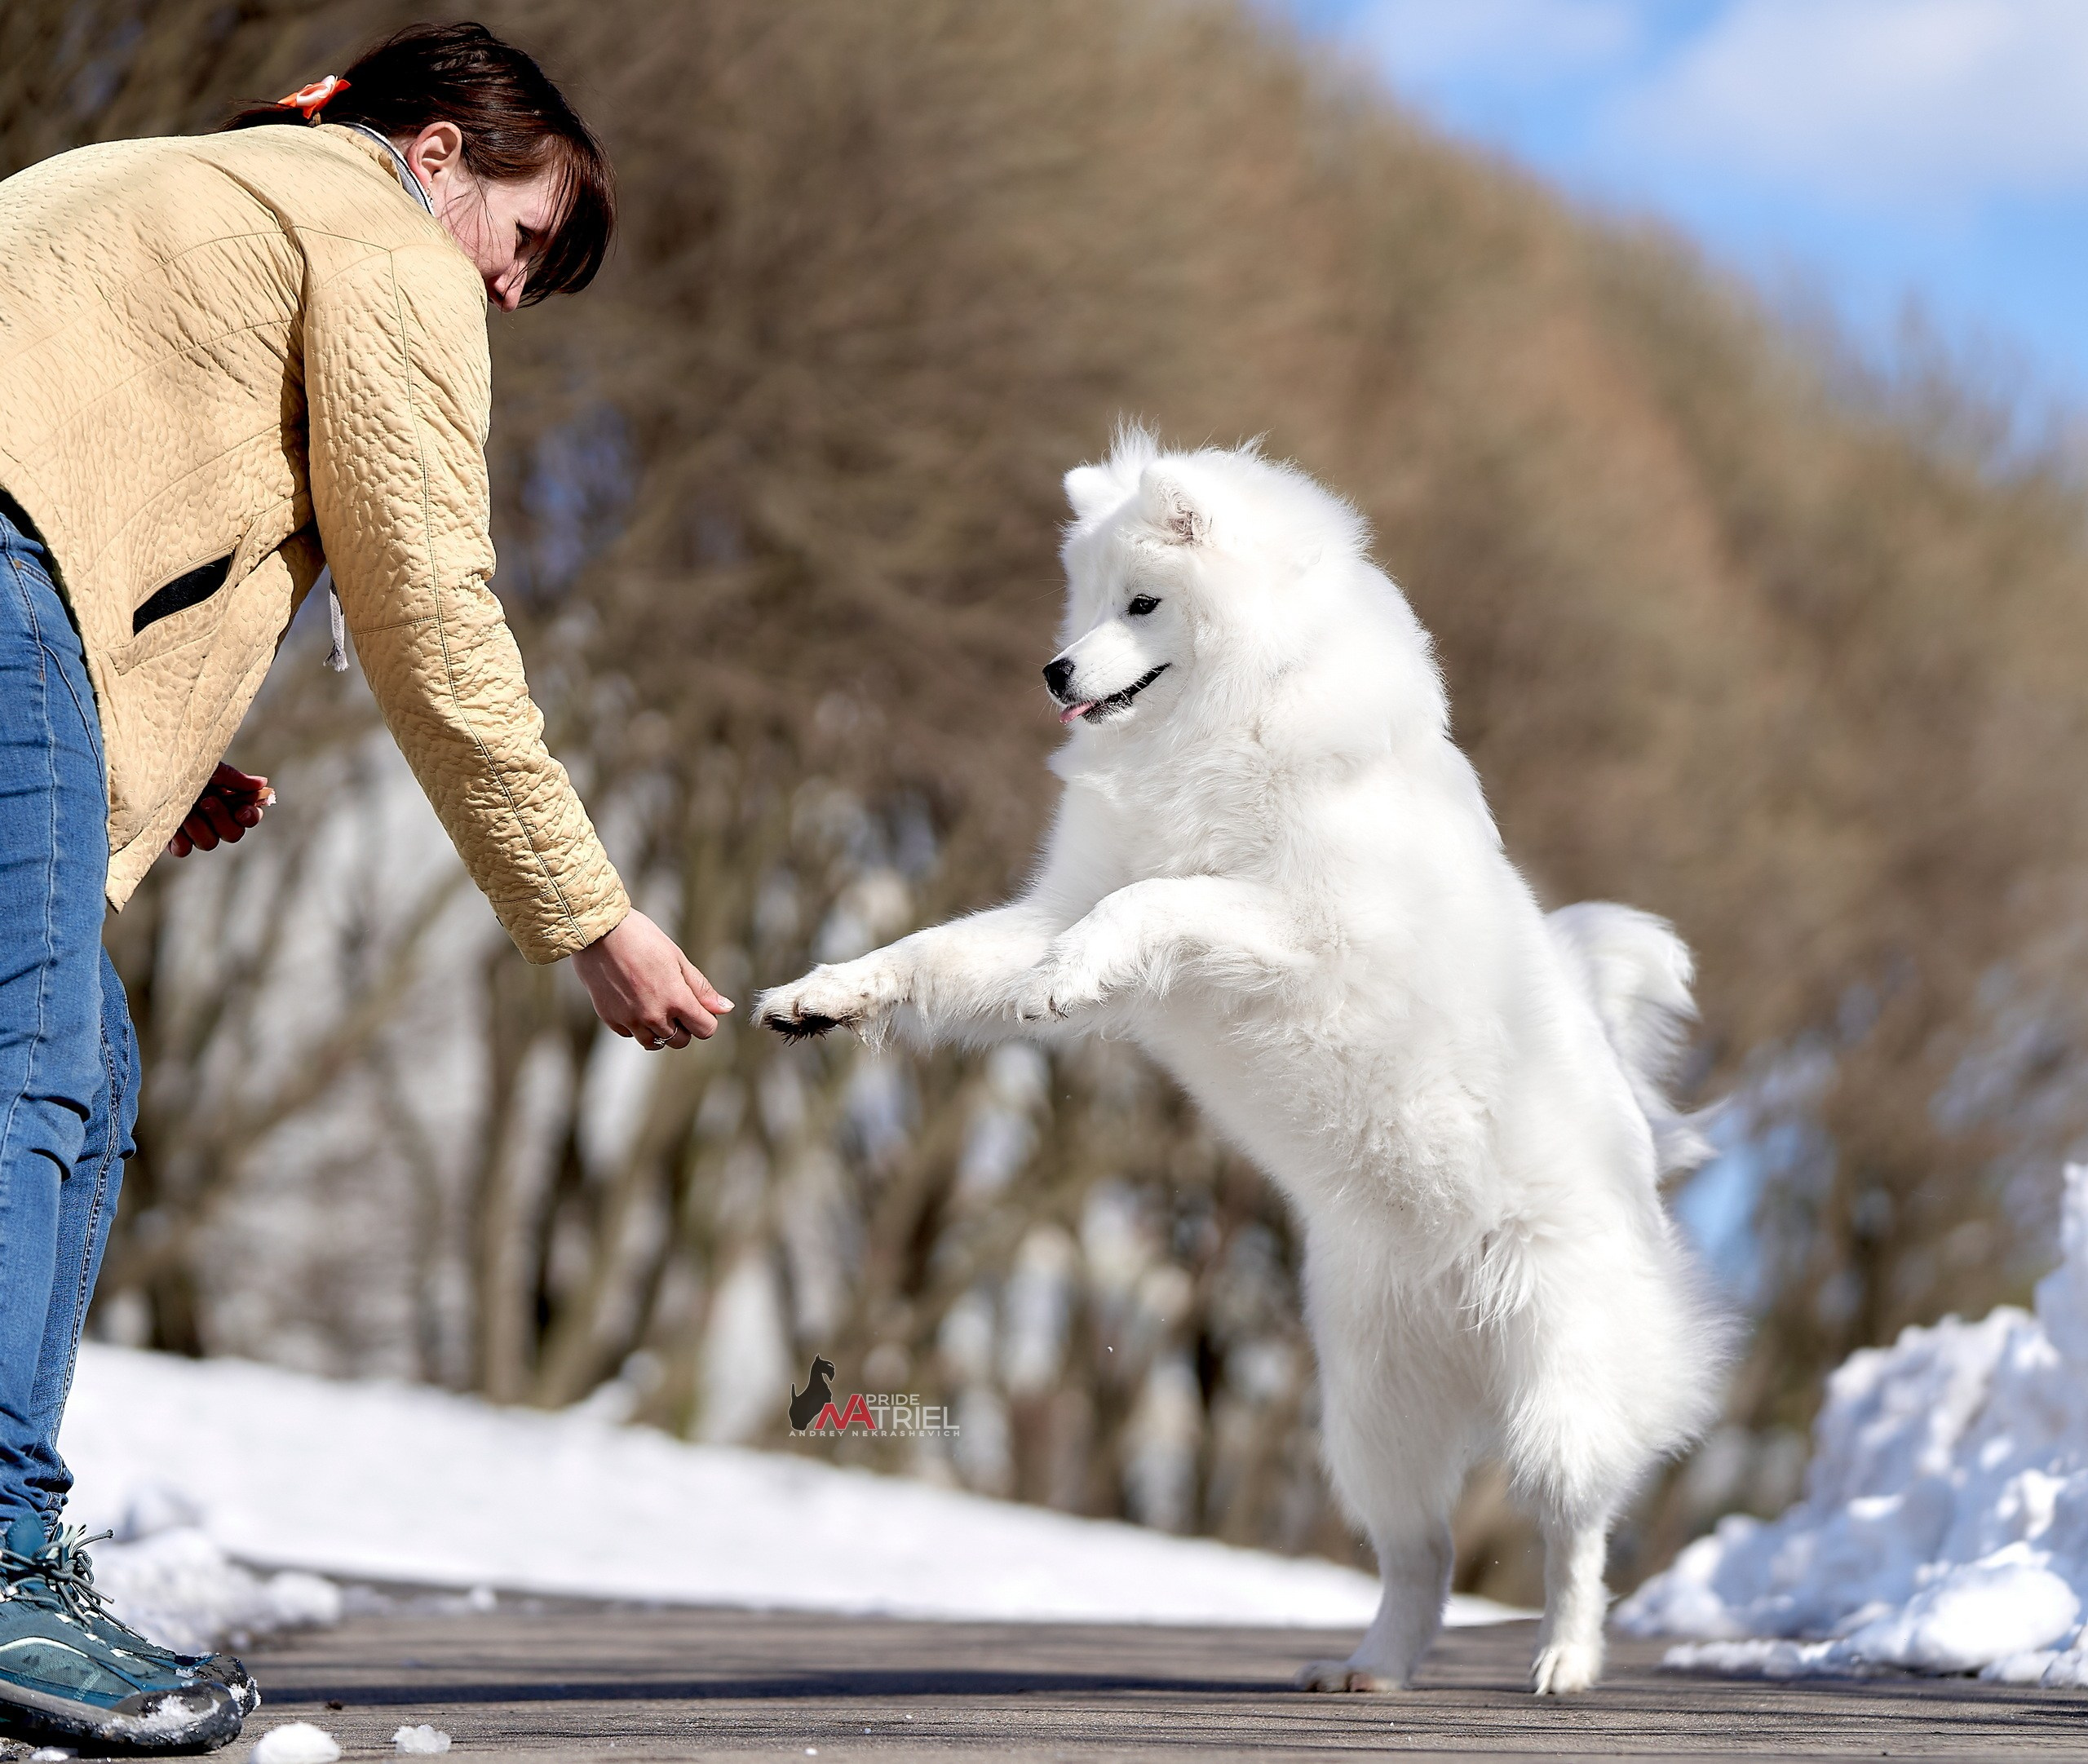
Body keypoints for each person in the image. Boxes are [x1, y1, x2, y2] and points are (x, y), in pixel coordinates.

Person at [0, 22, 728, 1749]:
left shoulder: (157, 181)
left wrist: (132, 762)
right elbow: (430, 616)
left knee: (84, 1063)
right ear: (438, 153)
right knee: (33, 1051)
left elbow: (98, 472)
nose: (503, 295)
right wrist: (586, 911)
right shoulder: (373, 230)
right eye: (526, 241)